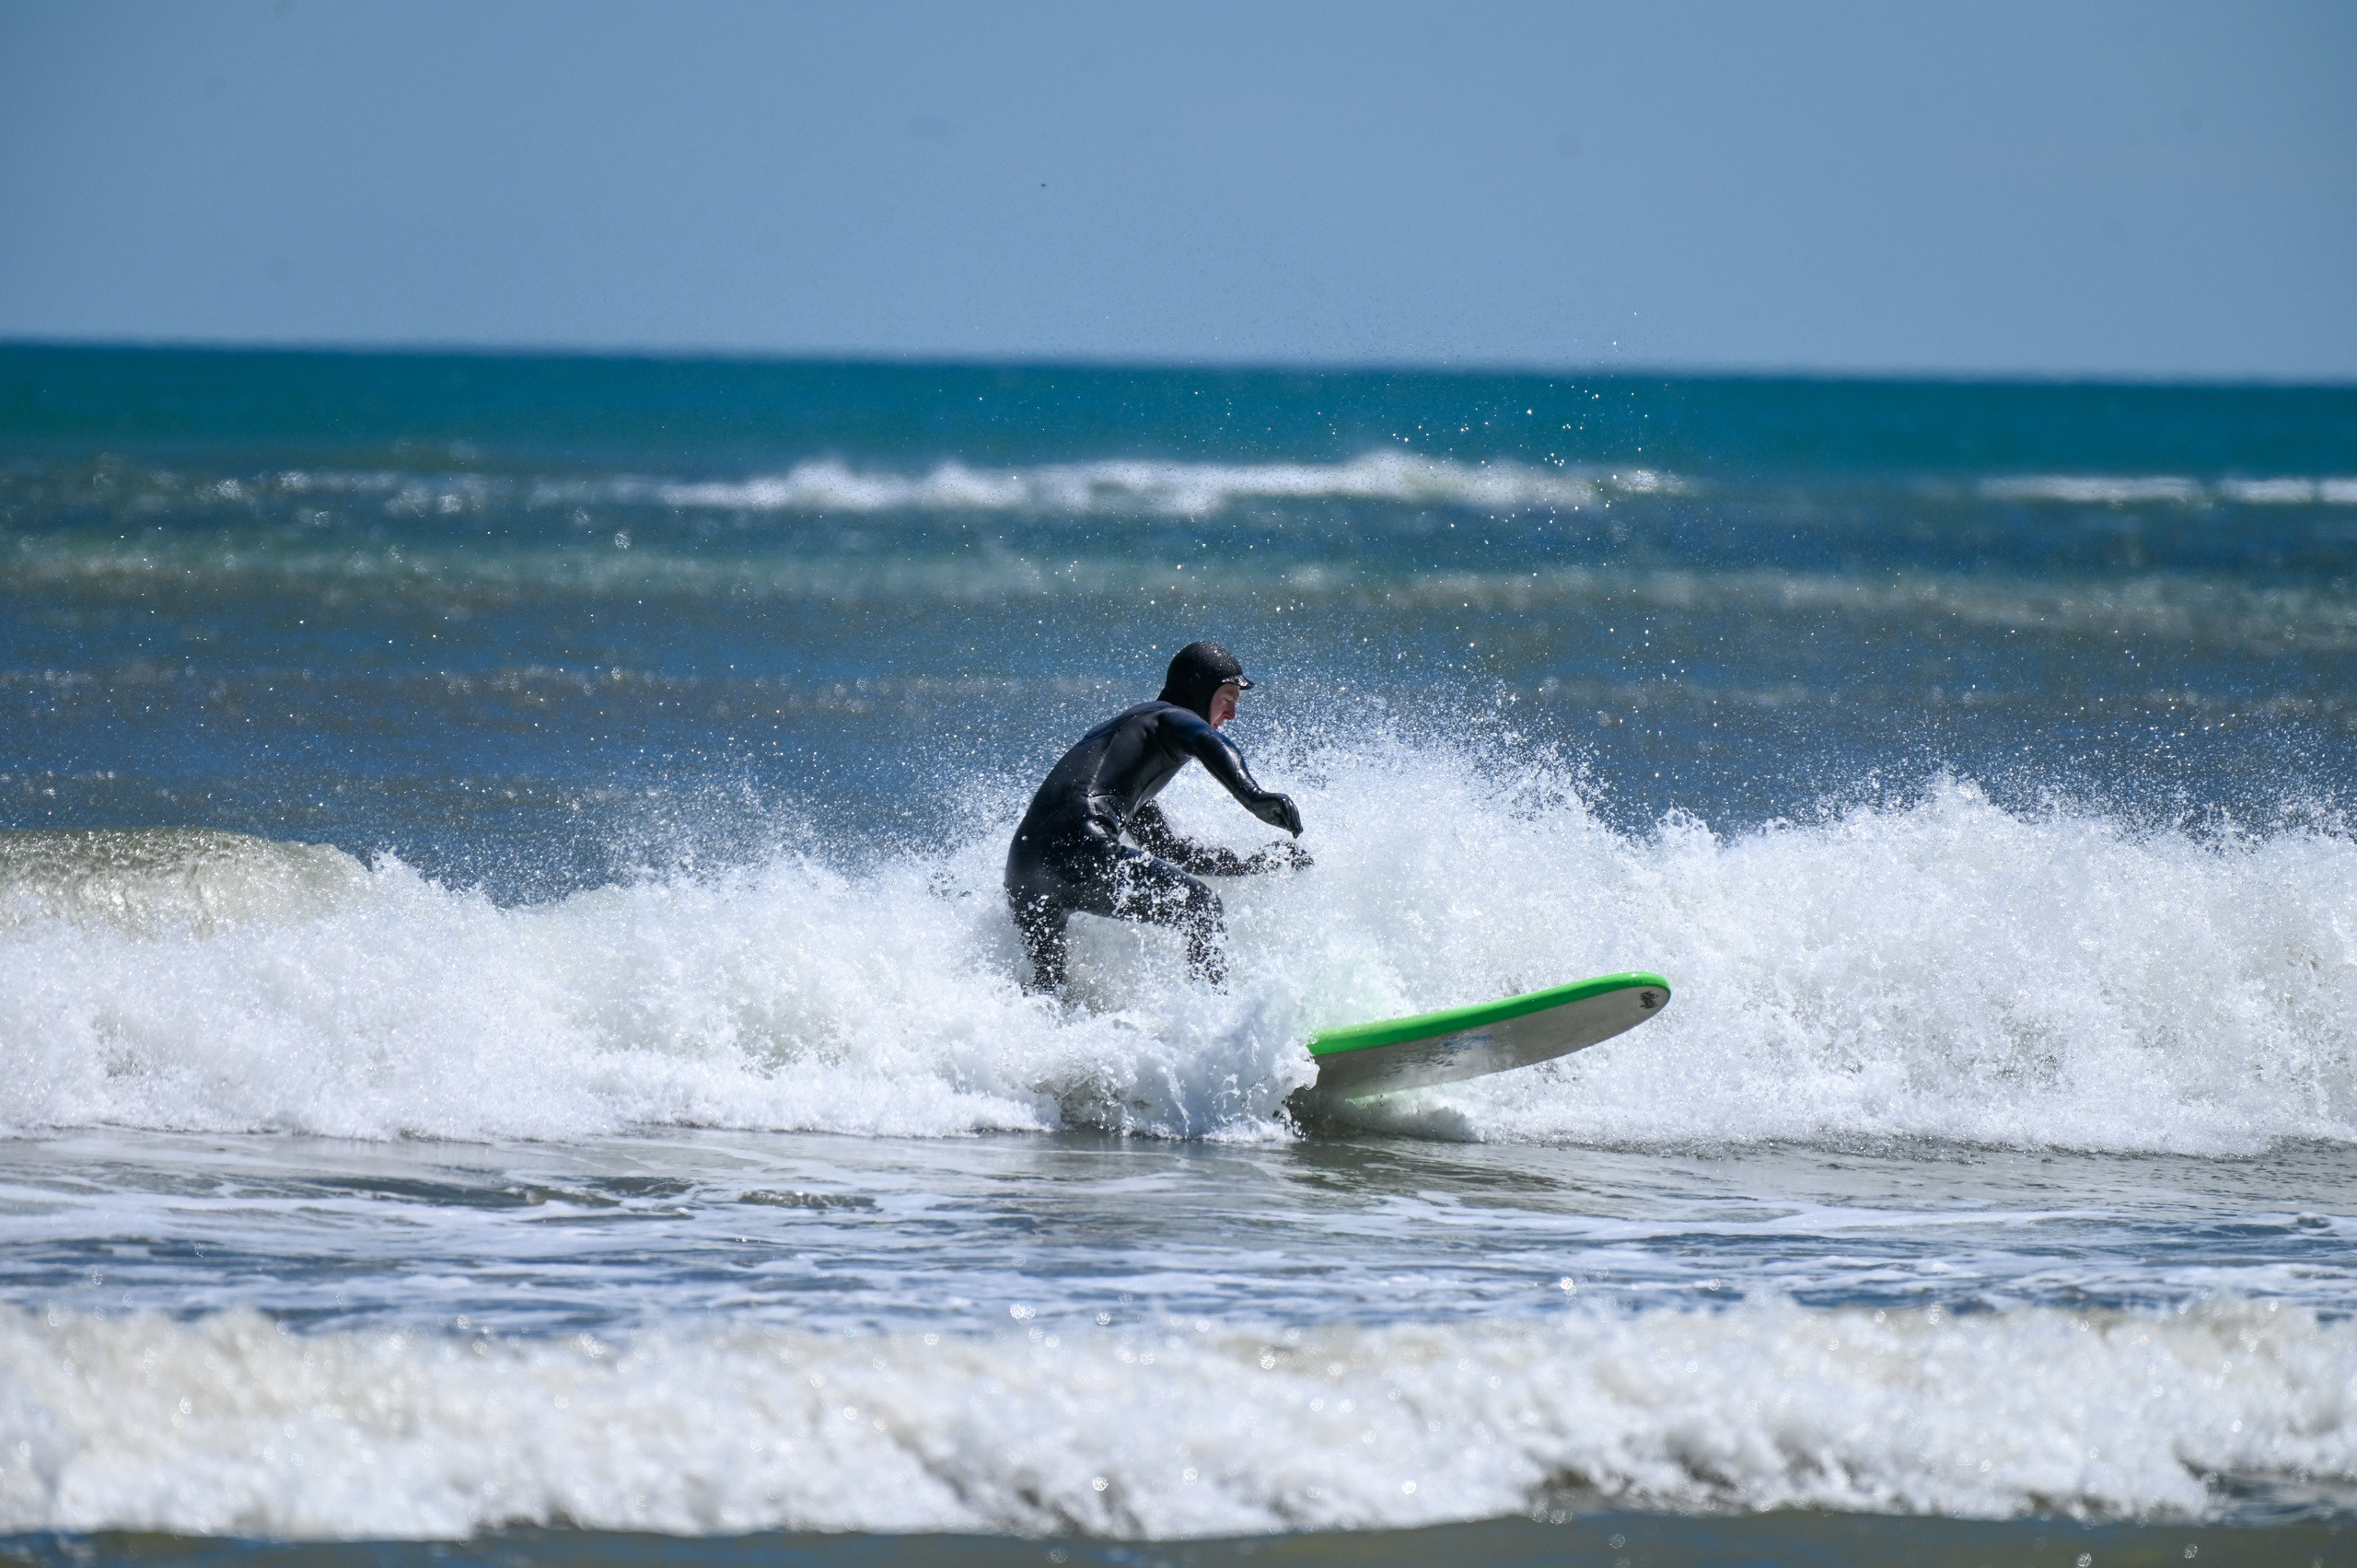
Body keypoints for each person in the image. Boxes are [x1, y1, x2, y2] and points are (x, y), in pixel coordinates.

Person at [1005, 640, 1308, 993]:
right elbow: (1208, 742)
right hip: (1081, 845)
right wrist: (1254, 796)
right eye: (1227, 698)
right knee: (1202, 908)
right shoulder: (1169, 716)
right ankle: (1216, 1025)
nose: (1231, 715)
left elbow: (1173, 852)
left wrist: (1251, 864)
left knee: (1050, 991)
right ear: (1199, 690)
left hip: (1024, 868)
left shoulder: (1124, 755)